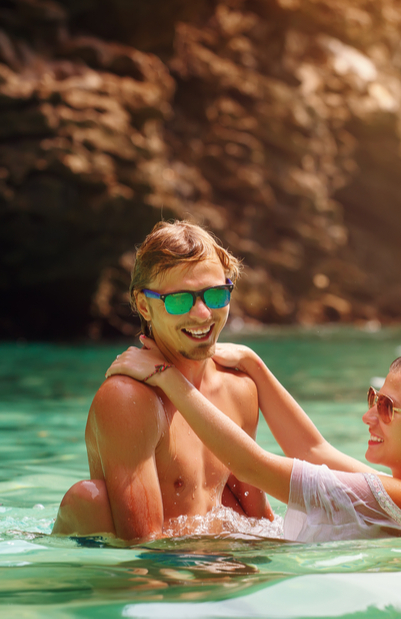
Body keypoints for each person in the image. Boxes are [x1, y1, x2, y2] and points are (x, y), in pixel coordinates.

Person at [106, 341, 401, 542]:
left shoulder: (400, 500)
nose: (368, 416)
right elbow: (314, 450)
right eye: (373, 398)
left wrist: (167, 376)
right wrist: (253, 363)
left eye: (387, 407)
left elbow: (251, 466)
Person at [51, 221, 272, 540]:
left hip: (206, 560)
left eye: (215, 295)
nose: (202, 314)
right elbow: (145, 547)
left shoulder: (239, 390)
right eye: (179, 299)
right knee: (87, 498)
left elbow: (260, 522)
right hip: (151, 565)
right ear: (144, 305)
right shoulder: (128, 399)